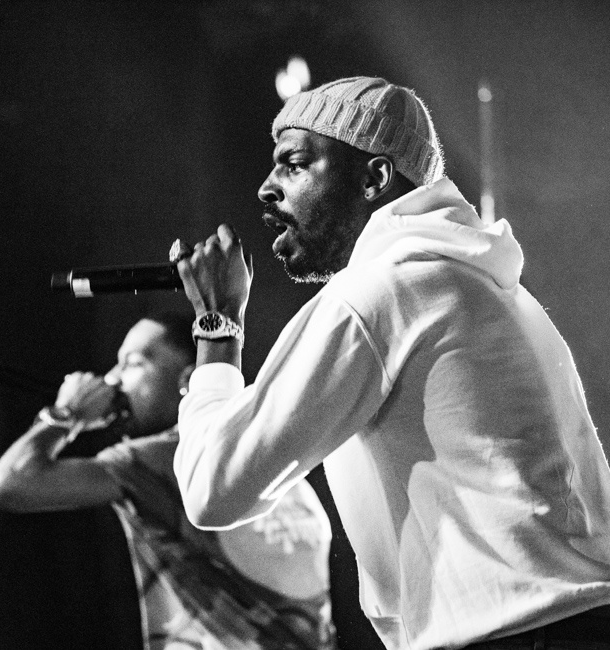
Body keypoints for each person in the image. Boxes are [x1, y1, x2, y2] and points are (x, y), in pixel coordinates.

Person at [171, 76, 610, 650]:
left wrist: (218, 326)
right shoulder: (490, 286)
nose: (265, 189)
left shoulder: (379, 293)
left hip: (511, 634)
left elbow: (215, 488)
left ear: (374, 179)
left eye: (295, 164)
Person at [0, 313, 336, 650]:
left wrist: (66, 415)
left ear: (187, 381)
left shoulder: (156, 460)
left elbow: (11, 484)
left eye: (134, 363)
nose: (112, 379)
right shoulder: (265, 451)